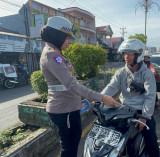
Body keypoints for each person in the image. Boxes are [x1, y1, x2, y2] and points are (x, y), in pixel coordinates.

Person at [39, 16, 121, 157]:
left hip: (68, 107)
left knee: (71, 145)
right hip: (64, 110)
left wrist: (81, 102)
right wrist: (102, 97)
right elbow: (72, 85)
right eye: (67, 38)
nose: (70, 42)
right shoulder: (52, 56)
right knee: (69, 149)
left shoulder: (56, 53)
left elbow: (68, 85)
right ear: (57, 36)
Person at [101, 39, 160, 157]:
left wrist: (145, 116)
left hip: (140, 112)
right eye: (125, 53)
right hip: (123, 109)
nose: (126, 57)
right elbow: (111, 87)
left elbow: (150, 96)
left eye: (130, 54)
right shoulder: (121, 72)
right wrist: (99, 98)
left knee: (151, 141)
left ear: (138, 55)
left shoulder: (147, 74)